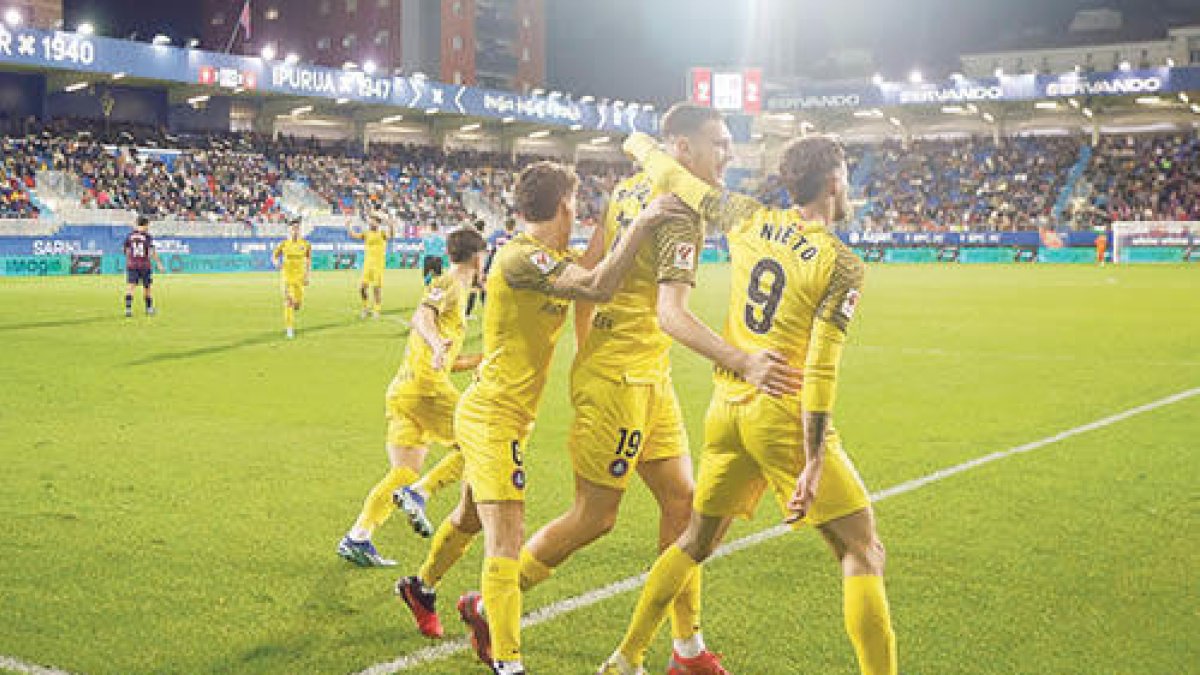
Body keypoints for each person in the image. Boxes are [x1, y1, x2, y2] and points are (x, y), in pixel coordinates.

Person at [516, 103, 800, 675]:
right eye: (718, 144)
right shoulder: (679, 214)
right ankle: (497, 594)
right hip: (622, 383)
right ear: (684, 149)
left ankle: (686, 648)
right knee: (593, 518)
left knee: (684, 502)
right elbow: (671, 313)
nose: (729, 154)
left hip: (647, 377)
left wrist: (588, 346)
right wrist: (742, 361)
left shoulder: (630, 188)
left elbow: (591, 269)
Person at [598, 134, 897, 675]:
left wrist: (638, 142)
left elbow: (676, 178)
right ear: (834, 182)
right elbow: (821, 369)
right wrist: (812, 458)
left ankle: (628, 655)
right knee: (862, 549)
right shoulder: (842, 263)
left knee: (695, 540)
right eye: (846, 172)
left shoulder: (747, 216)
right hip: (780, 411)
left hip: (727, 411)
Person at [395, 161, 678, 675]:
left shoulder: (547, 255)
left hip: (500, 412)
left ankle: (420, 587)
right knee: (507, 535)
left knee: (469, 518)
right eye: (579, 204)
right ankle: (509, 663)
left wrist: (621, 212)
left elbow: (594, 260)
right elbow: (596, 285)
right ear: (567, 205)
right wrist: (642, 224)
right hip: (492, 417)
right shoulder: (522, 258)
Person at [337, 227, 488, 568]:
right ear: (479, 257)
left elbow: (451, 360)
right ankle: (420, 493)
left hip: (404, 390)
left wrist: (484, 358)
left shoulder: (458, 292)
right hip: (425, 387)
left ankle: (358, 536)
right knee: (480, 443)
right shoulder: (449, 283)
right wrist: (436, 345)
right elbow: (422, 315)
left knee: (404, 470)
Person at [348, 213, 395, 318]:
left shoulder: (382, 233)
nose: (371, 222)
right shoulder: (366, 233)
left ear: (378, 223)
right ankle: (365, 308)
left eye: (374, 220)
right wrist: (348, 226)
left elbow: (391, 236)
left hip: (378, 264)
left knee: (376, 288)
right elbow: (353, 235)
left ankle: (376, 310)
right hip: (367, 265)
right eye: (371, 220)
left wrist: (391, 226)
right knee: (362, 288)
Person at [271, 219, 312, 339]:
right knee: (288, 302)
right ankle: (289, 328)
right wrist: (276, 263)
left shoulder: (305, 244)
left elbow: (309, 259)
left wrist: (307, 275)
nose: (295, 231)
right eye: (293, 228)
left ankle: (295, 305)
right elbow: (274, 256)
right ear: (289, 230)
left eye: (297, 228)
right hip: (287, 277)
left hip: (299, 278)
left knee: (297, 304)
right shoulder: (284, 244)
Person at [122, 216, 165, 317]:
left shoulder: (130, 236)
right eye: (148, 225)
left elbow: (126, 250)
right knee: (147, 288)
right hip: (145, 265)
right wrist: (159, 263)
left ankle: (128, 309)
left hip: (132, 265)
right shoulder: (147, 236)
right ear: (145, 225)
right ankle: (149, 309)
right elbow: (152, 251)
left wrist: (130, 260)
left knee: (130, 287)